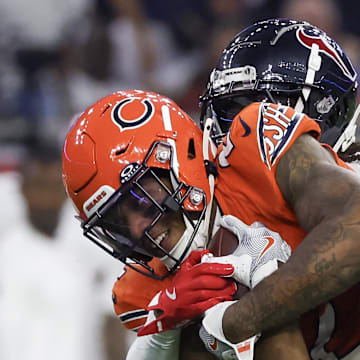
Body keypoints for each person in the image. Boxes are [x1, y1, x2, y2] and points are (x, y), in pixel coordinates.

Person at [61, 19, 360, 360]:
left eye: (141, 197)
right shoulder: (142, 289)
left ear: (180, 157)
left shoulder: (254, 143)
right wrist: (163, 331)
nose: (136, 228)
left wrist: (235, 322)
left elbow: (356, 225)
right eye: (115, 223)